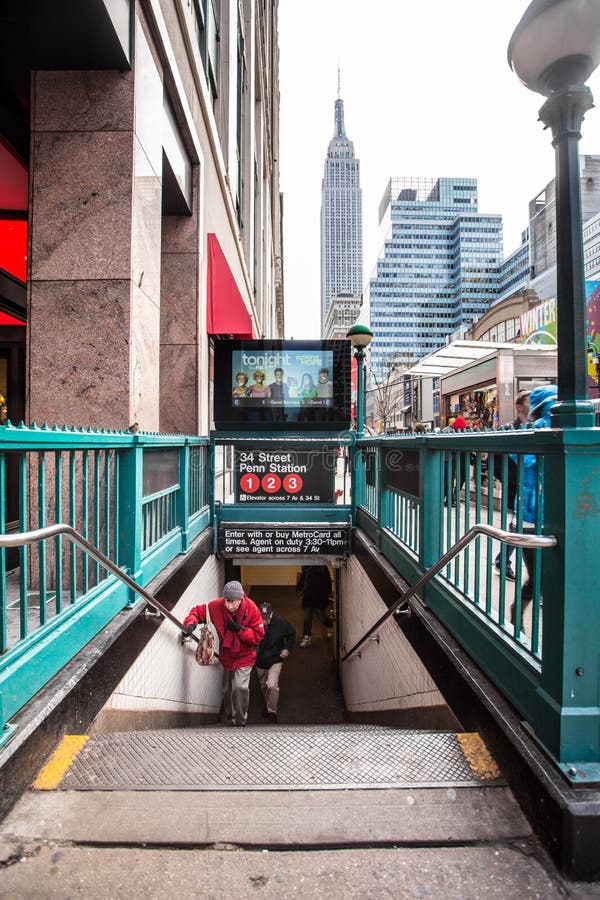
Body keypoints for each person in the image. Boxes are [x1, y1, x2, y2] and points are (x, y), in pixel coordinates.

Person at [183, 581, 264, 727]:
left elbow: (258, 636)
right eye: (227, 601)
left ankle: (240, 720)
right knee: (226, 690)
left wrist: (240, 630)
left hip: (245, 656)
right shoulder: (217, 606)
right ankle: (230, 717)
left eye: (233, 602)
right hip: (227, 655)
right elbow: (198, 611)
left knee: (240, 687)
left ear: (241, 599)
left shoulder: (252, 609)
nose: (229, 605)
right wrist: (191, 623)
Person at [509, 384, 556, 631]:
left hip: (557, 517)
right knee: (539, 578)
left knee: (550, 578)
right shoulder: (530, 433)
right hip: (530, 519)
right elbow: (522, 459)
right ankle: (517, 614)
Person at [494, 390, 531, 581]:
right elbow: (497, 462)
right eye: (529, 401)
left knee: (520, 528)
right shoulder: (510, 430)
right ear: (519, 406)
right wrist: (510, 480)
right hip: (517, 489)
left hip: (535, 492)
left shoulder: (538, 428)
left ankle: (503, 561)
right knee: (520, 528)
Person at [255, 602, 295, 723]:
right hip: (260, 660)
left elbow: (291, 634)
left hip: (275, 659)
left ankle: (271, 710)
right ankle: (268, 704)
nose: (264, 621)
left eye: (267, 618)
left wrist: (287, 648)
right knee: (264, 686)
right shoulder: (254, 622)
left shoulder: (281, 622)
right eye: (262, 618)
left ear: (271, 614)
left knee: (272, 685)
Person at [297, 564, 333, 647]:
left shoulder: (322, 568)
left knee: (320, 615)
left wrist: (327, 595)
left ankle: (329, 625)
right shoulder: (306, 567)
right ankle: (307, 637)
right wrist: (301, 592)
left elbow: (328, 583)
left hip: (319, 597)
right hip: (308, 597)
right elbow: (303, 579)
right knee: (307, 618)